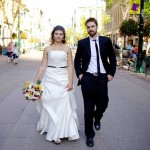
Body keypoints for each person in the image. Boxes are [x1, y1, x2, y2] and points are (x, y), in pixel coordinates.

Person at [33, 25, 79, 144]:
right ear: (53, 34)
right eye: (56, 33)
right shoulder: (47, 49)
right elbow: (43, 65)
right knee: (49, 103)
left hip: (63, 78)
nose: (58, 36)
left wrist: (71, 81)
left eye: (61, 34)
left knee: (63, 104)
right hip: (50, 78)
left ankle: (60, 132)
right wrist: (35, 81)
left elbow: (70, 65)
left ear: (64, 36)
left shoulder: (67, 49)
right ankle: (52, 129)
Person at [74, 17, 116, 147]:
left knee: (103, 103)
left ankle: (97, 117)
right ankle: (89, 135)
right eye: (88, 27)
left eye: (92, 26)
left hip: (102, 78)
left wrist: (110, 73)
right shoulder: (82, 43)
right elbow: (77, 61)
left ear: (97, 27)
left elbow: (112, 58)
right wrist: (80, 74)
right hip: (87, 78)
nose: (90, 29)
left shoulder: (106, 41)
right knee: (88, 108)